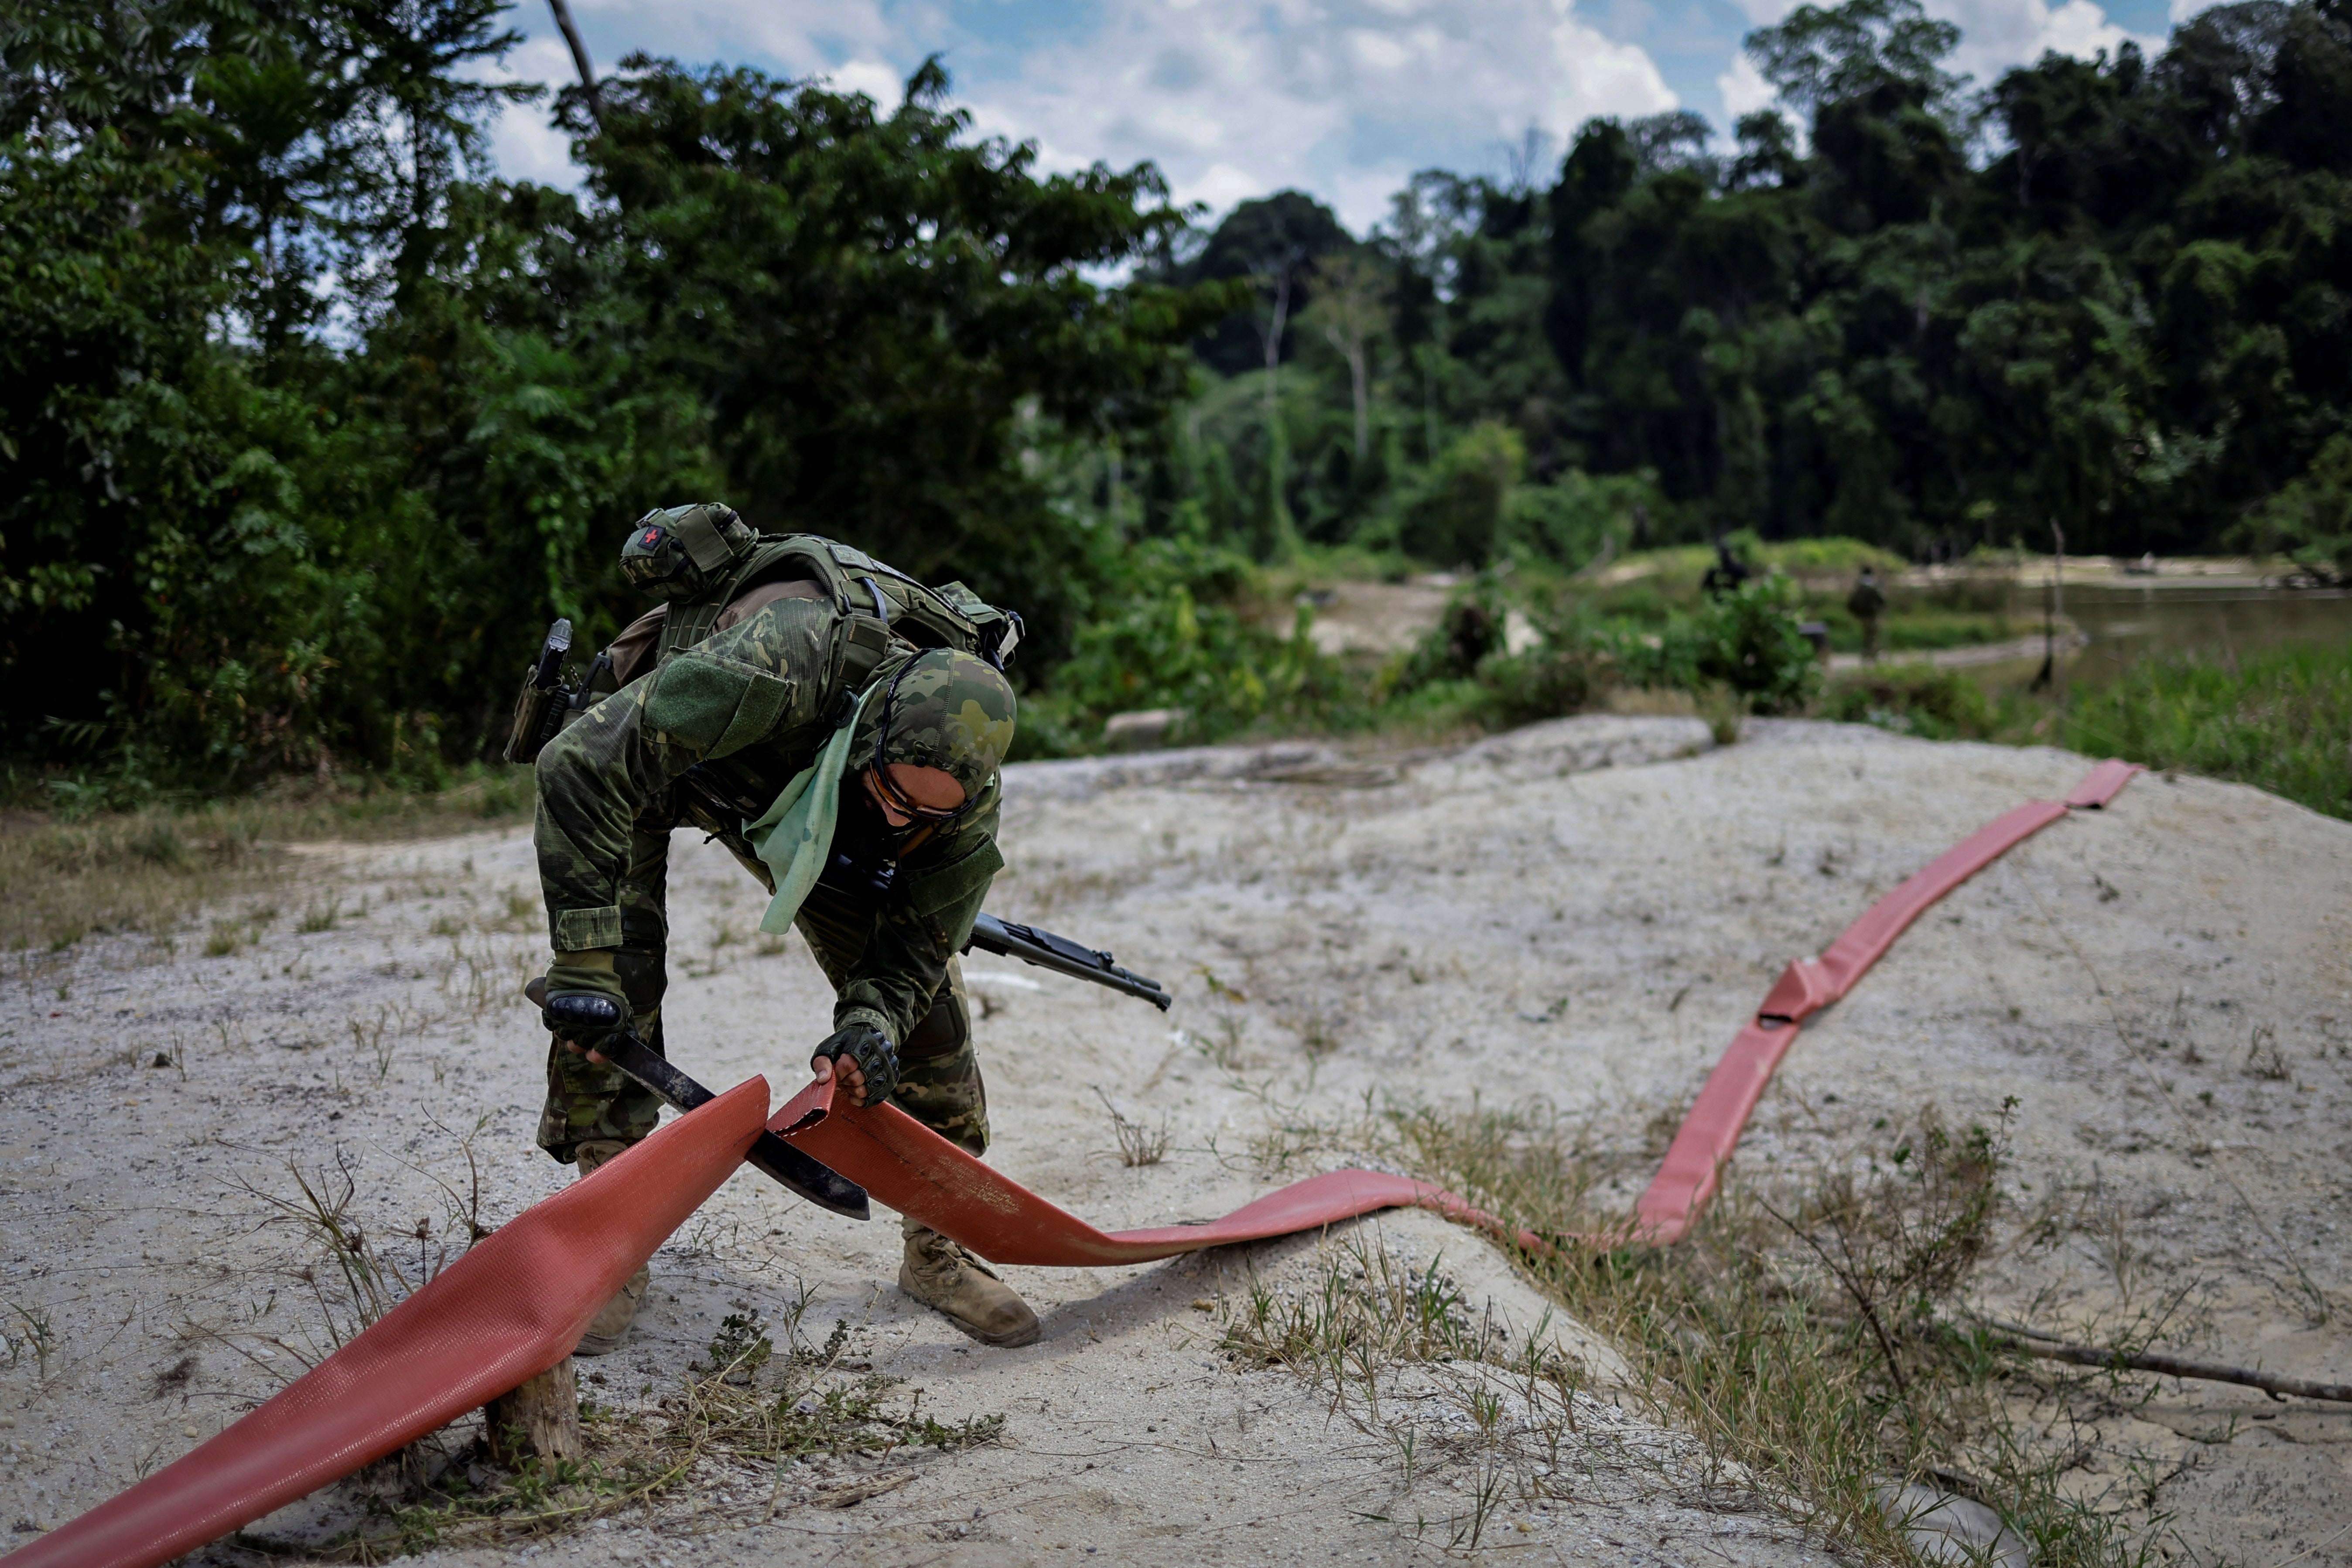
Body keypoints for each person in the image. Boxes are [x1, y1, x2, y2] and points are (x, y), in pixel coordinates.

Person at [530, 504, 1036, 1354]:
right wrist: (581, 961)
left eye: (927, 817)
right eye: (894, 795)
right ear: (866, 727)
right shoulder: (779, 664)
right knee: (610, 993)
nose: (903, 821)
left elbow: (914, 944)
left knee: (930, 1023)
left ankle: (937, 1252)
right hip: (663, 756)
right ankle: (605, 1241)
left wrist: (871, 1025)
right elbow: (579, 763)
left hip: (804, 785)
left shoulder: (958, 795)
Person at [1846, 565, 1887, 663]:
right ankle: (1873, 654)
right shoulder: (1873, 585)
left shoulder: (1859, 585)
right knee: (1873, 634)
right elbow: (1881, 600)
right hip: (1872, 614)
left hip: (1862, 615)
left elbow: (1851, 602)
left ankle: (1866, 653)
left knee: (1867, 634)